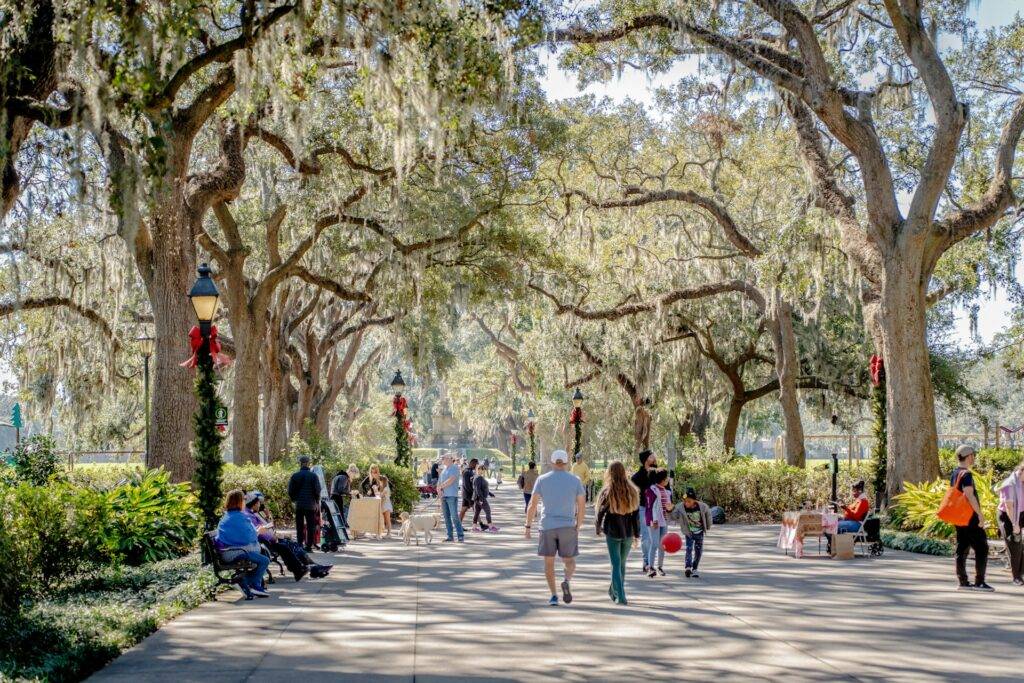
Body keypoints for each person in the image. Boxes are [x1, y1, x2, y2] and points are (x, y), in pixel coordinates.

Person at [525, 450, 586, 606]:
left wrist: (528, 526)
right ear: (566, 463)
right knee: (569, 561)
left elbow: (532, 504)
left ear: (552, 462)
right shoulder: (575, 480)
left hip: (547, 526)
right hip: (567, 526)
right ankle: (566, 580)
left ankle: (553, 595)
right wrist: (578, 526)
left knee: (549, 563)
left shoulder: (542, 479)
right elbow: (581, 506)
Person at [244, 492, 330, 581]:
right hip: (265, 542)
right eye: (259, 503)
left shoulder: (253, 513)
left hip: (268, 539)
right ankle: (308, 569)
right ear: (253, 504)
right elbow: (260, 531)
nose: (260, 505)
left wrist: (268, 516)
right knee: (287, 546)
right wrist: (275, 537)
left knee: (293, 545)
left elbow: (268, 525)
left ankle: (311, 568)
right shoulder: (249, 515)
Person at [595, 460, 640, 605]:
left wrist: (598, 527)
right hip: (628, 532)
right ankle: (613, 590)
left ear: (610, 472)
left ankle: (621, 596)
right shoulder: (632, 491)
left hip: (613, 532)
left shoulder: (608, 491)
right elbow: (635, 514)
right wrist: (636, 534)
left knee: (616, 564)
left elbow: (601, 512)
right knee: (621, 564)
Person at [951, 445, 993, 591]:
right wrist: (980, 514)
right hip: (970, 517)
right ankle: (979, 582)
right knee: (982, 547)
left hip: (959, 517)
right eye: (973, 455)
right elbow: (969, 495)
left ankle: (962, 581)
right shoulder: (966, 474)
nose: (974, 458)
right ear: (969, 456)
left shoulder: (955, 473)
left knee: (962, 547)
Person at [216, 489, 271, 599]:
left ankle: (253, 584)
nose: (245, 502)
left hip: (231, 550)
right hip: (233, 553)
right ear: (239, 501)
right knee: (264, 560)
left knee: (261, 556)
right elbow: (248, 537)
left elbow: (243, 536)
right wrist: (258, 532)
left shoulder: (230, 515)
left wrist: (255, 532)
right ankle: (248, 582)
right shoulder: (238, 517)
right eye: (244, 499)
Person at [673, 487, 712, 578]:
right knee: (689, 549)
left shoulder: (702, 506)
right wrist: (670, 510)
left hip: (699, 532)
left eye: (689, 501)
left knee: (698, 551)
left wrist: (708, 525)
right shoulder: (680, 507)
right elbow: (674, 516)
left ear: (694, 500)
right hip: (689, 532)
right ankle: (688, 567)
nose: (686, 503)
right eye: (685, 501)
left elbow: (708, 516)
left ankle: (695, 568)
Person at [997, 458, 1024, 586]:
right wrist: (1015, 524)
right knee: (1015, 545)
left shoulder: (1022, 482)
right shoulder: (1010, 484)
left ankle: (1021, 572)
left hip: (1021, 512)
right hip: (1008, 516)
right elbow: (1009, 507)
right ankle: (1016, 577)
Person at [288, 455, 321, 552]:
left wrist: (295, 499)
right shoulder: (313, 476)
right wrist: (316, 501)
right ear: (308, 463)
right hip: (310, 504)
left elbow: (290, 491)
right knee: (311, 526)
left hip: (299, 504)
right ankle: (309, 546)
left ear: (300, 463)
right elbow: (317, 490)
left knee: (299, 525)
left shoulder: (295, 476)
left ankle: (299, 544)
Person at [632, 450, 657, 573]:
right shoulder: (637, 477)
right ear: (646, 459)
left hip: (657, 509)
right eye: (652, 456)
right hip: (643, 508)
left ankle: (651, 560)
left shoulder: (658, 473)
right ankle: (646, 561)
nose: (655, 457)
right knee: (646, 537)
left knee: (656, 537)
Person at [643, 468, 672, 577]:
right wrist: (653, 520)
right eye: (666, 478)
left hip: (663, 520)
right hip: (654, 521)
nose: (668, 480)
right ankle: (650, 567)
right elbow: (650, 507)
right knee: (654, 544)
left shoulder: (666, 491)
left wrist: (670, 509)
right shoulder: (651, 490)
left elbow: (668, 506)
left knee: (662, 545)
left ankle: (660, 566)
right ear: (662, 479)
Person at [436, 453, 465, 542]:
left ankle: (460, 535)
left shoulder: (455, 468)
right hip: (444, 496)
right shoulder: (444, 469)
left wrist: (441, 487)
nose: (442, 459)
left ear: (449, 459)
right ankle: (450, 536)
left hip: (451, 495)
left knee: (454, 516)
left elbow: (451, 480)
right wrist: (438, 490)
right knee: (446, 517)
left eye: (443, 458)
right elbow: (439, 482)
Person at [472, 463, 499, 532]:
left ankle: (474, 528)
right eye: (483, 469)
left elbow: (483, 488)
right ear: (479, 469)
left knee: (476, 513)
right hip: (480, 498)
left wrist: (490, 494)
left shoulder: (479, 477)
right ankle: (490, 527)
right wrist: (481, 499)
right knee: (488, 511)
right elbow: (478, 489)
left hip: (478, 498)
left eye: (484, 469)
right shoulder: (478, 478)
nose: (484, 471)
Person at [459, 458, 479, 522]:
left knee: (464, 510)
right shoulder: (467, 472)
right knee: (475, 509)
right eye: (477, 464)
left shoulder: (470, 471)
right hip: (468, 494)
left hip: (467, 494)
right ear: (473, 464)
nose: (477, 466)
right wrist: (473, 492)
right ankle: (481, 524)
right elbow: (466, 485)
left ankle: (458, 525)